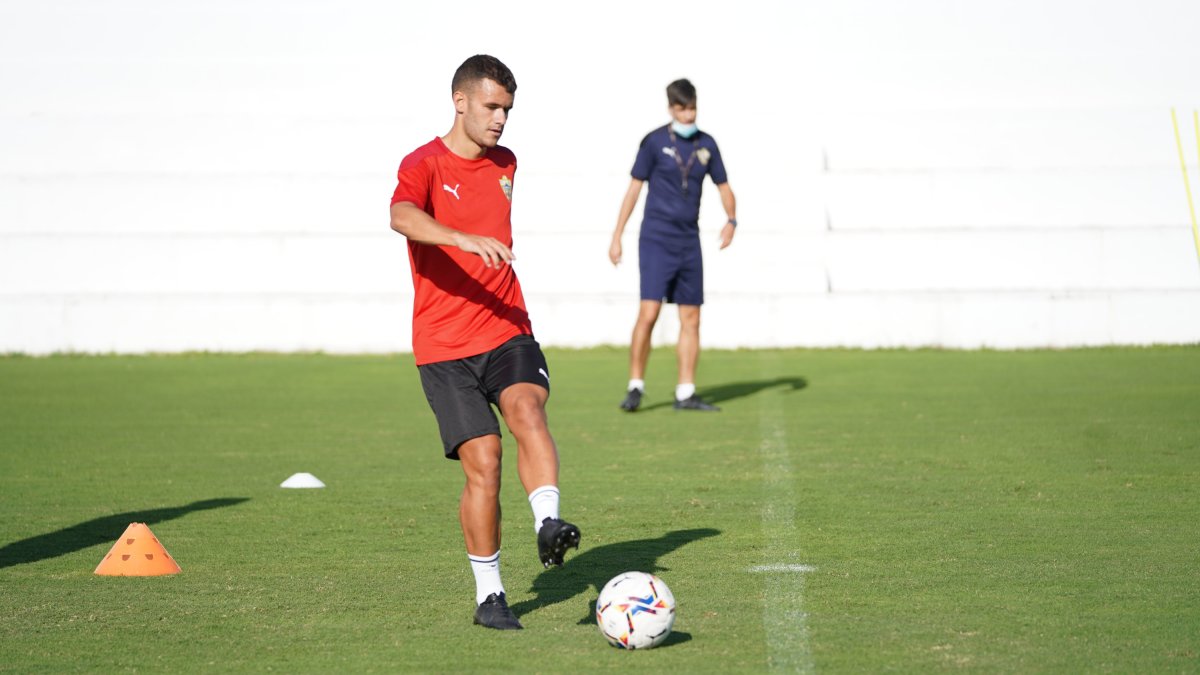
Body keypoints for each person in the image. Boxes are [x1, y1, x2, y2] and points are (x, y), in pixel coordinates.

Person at [388, 54, 580, 631]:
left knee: (527, 409)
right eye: (492, 106)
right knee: (486, 462)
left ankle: (548, 521)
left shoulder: (506, 162)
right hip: (444, 346)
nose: (500, 119)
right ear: (460, 101)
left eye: (507, 110)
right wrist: (460, 238)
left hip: (506, 326)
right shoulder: (422, 163)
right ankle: (490, 595)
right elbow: (401, 216)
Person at [608, 78, 737, 412]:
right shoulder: (653, 142)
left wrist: (731, 220)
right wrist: (617, 235)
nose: (688, 115)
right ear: (670, 109)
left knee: (691, 316)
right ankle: (635, 385)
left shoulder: (707, 144)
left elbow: (724, 186)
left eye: (692, 108)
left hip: (688, 241)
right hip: (656, 239)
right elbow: (634, 189)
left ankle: (685, 392)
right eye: (681, 109)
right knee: (649, 312)